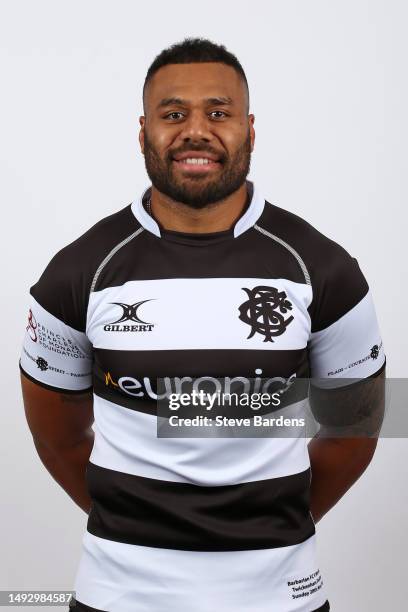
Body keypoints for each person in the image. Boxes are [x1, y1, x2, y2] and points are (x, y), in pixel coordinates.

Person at [19, 37, 385, 612]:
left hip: (280, 594)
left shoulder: (324, 269)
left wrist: (275, 525)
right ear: (143, 133)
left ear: (250, 129)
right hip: (119, 595)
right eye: (173, 114)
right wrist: (133, 531)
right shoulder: (78, 272)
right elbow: (57, 437)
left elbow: (355, 431)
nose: (196, 131)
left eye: (219, 112)